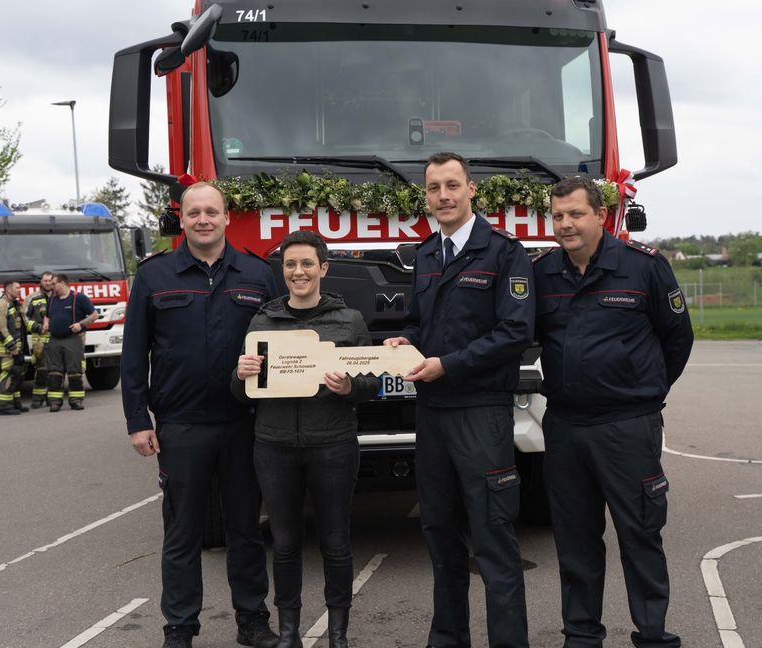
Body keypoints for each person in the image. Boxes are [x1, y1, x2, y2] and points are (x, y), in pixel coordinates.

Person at [532, 177, 694, 648]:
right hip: (565, 427)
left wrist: (644, 391)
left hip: (627, 428)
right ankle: (582, 635)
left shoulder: (643, 266)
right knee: (575, 540)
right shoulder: (541, 273)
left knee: (640, 534)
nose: (565, 224)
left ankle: (653, 635)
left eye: (575, 214)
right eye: (558, 216)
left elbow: (677, 338)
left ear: (600, 215)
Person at [384, 152, 534, 648]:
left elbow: (515, 331)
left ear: (471, 190)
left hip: (481, 412)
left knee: (493, 538)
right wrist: (404, 341)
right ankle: (448, 638)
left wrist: (448, 364)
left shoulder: (504, 253)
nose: (443, 196)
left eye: (452, 185)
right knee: (440, 535)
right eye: (434, 188)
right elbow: (418, 323)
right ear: (426, 195)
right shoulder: (427, 254)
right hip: (433, 415)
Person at [121, 181, 280, 648]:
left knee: (246, 530)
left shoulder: (257, 273)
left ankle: (252, 621)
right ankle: (179, 628)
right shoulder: (154, 276)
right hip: (182, 425)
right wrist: (137, 421)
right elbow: (134, 354)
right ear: (182, 219)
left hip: (244, 422)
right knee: (182, 533)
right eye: (194, 213)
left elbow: (281, 341)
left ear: (227, 217)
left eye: (212, 211)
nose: (204, 220)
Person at [232, 230, 379, 648]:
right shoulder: (262, 321)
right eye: (291, 264)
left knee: (336, 542)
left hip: (332, 445)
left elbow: (371, 383)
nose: (299, 272)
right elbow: (242, 393)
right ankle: (289, 633)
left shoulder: (348, 321)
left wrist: (350, 387)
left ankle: (338, 635)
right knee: (284, 544)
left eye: (307, 264)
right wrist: (240, 375)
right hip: (274, 447)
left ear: (323, 268)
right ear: (283, 271)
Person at [45, 273, 99, 411]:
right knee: (54, 372)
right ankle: (54, 402)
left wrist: (81, 324)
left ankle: (76, 401)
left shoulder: (79, 298)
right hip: (54, 340)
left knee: (74, 371)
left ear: (62, 283)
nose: (50, 286)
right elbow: (47, 315)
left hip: (72, 340)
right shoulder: (52, 299)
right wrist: (46, 323)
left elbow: (94, 315)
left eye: (53, 284)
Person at [0, 280, 41, 415]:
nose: (20, 290)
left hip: (17, 347)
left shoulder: (15, 305)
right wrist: (12, 346)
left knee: (17, 374)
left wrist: (39, 327)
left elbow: (25, 323)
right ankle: (4, 406)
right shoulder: (2, 305)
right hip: (6, 349)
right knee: (8, 374)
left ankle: (15, 403)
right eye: (17, 288)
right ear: (8, 290)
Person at [25, 271, 54, 408]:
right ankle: (37, 399)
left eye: (50, 281)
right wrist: (37, 327)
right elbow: (24, 317)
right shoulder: (32, 298)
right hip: (40, 340)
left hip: (56, 339)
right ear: (41, 282)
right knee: (41, 369)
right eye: (45, 280)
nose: (48, 283)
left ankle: (51, 398)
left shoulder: (58, 296)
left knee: (55, 371)